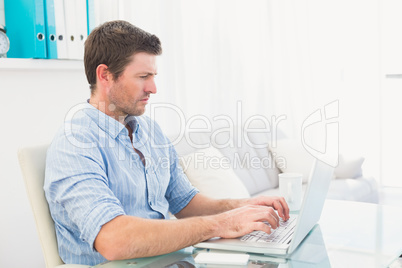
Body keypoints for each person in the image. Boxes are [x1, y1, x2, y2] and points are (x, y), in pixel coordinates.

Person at [44, 20, 289, 266]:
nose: (153, 88)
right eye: (143, 76)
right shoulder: (75, 144)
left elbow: (185, 202)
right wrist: (223, 223)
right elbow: (113, 240)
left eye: (153, 76)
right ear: (105, 75)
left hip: (173, 261)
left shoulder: (149, 131)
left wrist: (244, 208)